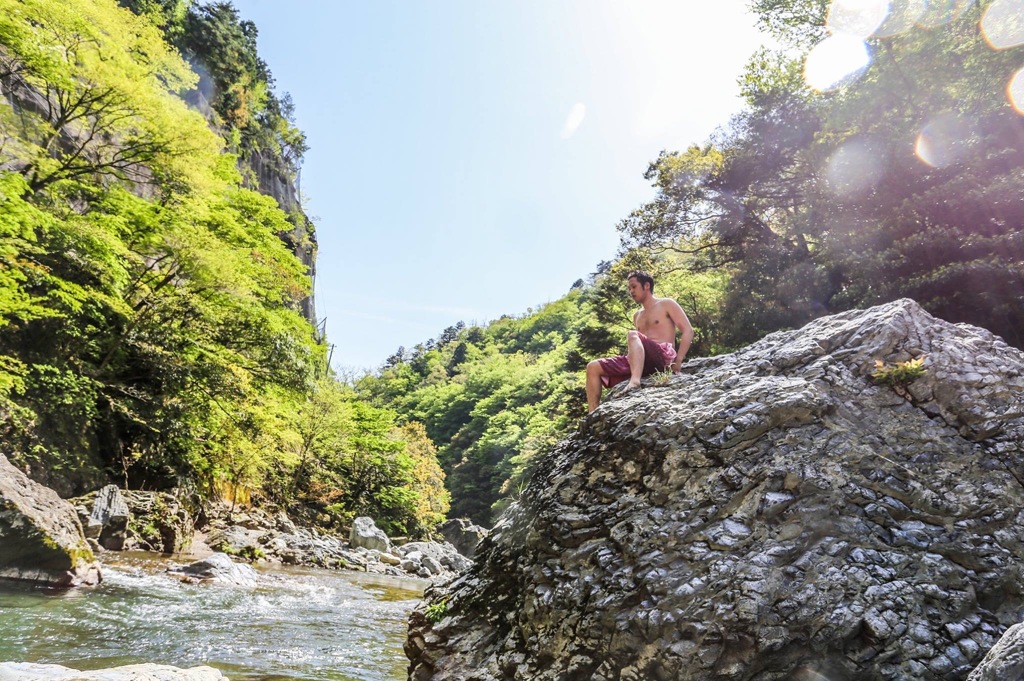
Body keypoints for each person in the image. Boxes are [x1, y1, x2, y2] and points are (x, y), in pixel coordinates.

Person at [586, 270, 694, 413]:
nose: (631, 291)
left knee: (632, 334)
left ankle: (635, 382)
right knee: (592, 367)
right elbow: (638, 345)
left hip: (662, 356)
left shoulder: (666, 304)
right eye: (629, 288)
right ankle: (592, 414)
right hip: (642, 361)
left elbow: (688, 330)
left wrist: (678, 361)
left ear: (647, 285)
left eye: (634, 286)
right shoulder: (637, 315)